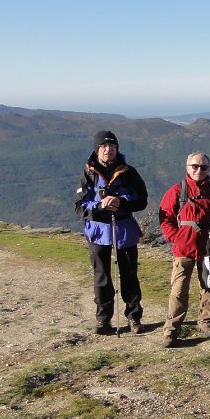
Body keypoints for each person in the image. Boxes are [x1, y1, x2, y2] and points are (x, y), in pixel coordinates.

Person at [159, 152, 210, 347]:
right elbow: (166, 218)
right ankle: (171, 329)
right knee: (178, 290)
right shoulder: (178, 191)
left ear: (209, 169)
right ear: (187, 167)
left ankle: (206, 321)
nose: (198, 170)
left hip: (209, 248)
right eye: (195, 166)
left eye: (203, 167)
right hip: (183, 249)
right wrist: (176, 238)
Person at [74, 130, 148, 335]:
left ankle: (134, 317)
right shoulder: (88, 174)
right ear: (97, 149)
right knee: (102, 276)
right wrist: (99, 205)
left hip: (124, 230)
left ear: (117, 148)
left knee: (130, 275)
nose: (108, 150)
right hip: (98, 231)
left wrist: (121, 201)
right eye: (104, 147)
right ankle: (103, 319)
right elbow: (79, 206)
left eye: (112, 146)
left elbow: (142, 199)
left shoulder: (128, 172)